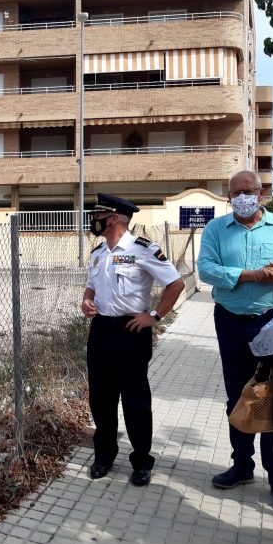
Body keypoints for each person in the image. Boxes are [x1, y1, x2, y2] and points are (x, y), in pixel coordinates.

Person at [198, 170, 273, 512]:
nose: (242, 198)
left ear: (261, 193)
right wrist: (249, 275)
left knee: (272, 396)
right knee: (237, 395)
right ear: (229, 197)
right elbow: (206, 269)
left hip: (271, 320)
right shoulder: (216, 229)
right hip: (229, 320)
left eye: (248, 191)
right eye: (235, 193)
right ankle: (242, 465)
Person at [82, 193, 185, 486]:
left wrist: (154, 315)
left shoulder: (142, 249)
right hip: (101, 330)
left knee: (135, 399)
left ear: (114, 218)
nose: (94, 220)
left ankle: (141, 460)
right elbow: (91, 288)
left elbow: (176, 283)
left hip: (131, 330)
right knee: (100, 397)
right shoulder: (97, 253)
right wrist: (86, 301)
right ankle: (104, 455)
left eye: (98, 215)